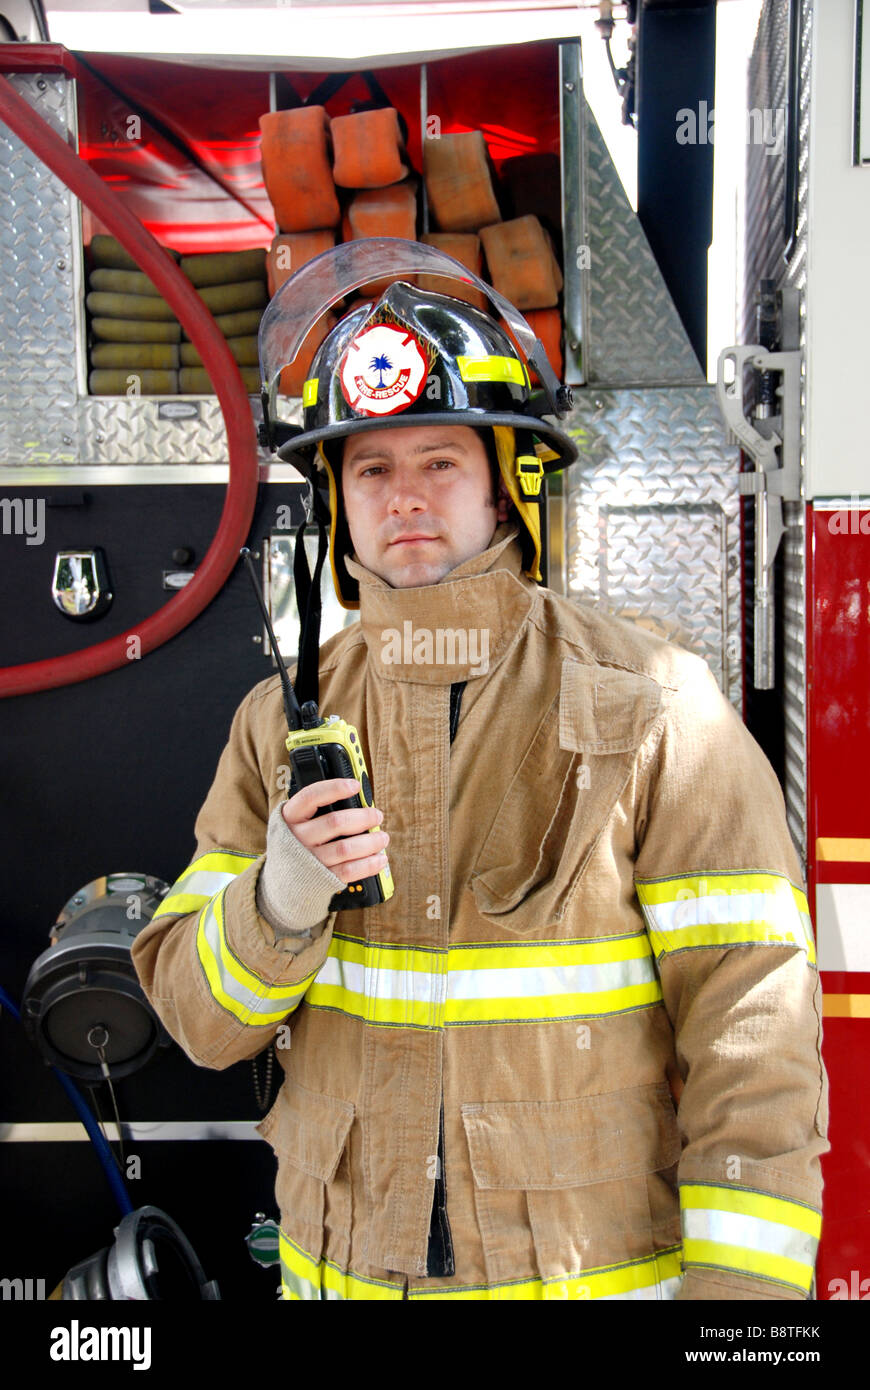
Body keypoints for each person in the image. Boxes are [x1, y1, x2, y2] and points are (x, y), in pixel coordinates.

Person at [132, 261, 829, 1302]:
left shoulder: (656, 702)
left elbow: (753, 1019)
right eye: (368, 469)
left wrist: (741, 1308)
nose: (404, 494)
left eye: (440, 460)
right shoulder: (279, 728)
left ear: (509, 479)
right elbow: (201, 1021)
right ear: (335, 501)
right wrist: (275, 903)